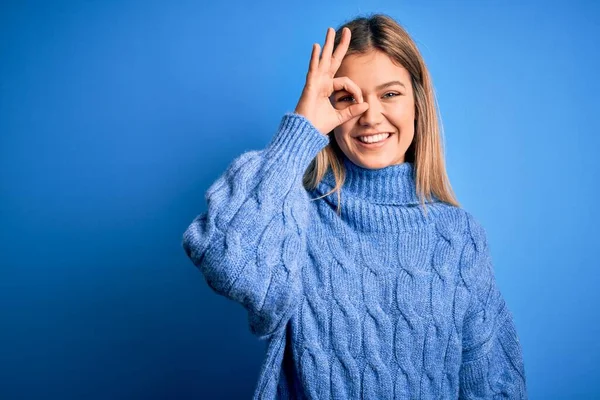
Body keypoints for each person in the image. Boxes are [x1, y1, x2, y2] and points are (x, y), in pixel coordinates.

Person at [182, 13, 528, 399]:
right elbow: (224, 259)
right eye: (348, 97)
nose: (369, 115)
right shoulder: (297, 215)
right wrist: (302, 128)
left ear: (418, 103)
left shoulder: (459, 236)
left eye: (390, 94)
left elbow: (492, 383)